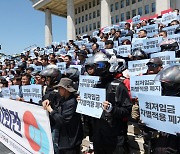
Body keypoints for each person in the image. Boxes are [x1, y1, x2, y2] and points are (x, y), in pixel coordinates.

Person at [84, 52, 132, 154]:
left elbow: (127, 111)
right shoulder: (95, 86)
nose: (96, 68)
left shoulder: (118, 86)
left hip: (114, 138)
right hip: (99, 136)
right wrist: (84, 103)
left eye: (100, 65)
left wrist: (112, 109)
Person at [42, 78, 83, 154]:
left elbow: (62, 121)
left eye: (60, 88)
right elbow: (51, 95)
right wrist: (47, 100)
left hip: (70, 141)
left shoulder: (72, 103)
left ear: (66, 89)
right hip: (63, 139)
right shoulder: (63, 98)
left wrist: (51, 110)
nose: (58, 90)